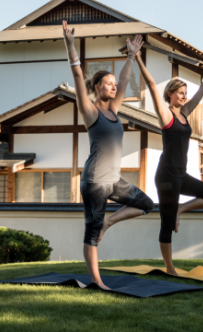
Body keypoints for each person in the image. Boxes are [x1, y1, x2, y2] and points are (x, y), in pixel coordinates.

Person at [63, 21, 154, 289]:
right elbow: (78, 77)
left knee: (146, 204)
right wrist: (70, 45)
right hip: (94, 182)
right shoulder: (90, 111)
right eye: (108, 84)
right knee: (91, 233)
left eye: (114, 84)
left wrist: (131, 55)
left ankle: (108, 223)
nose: (114, 87)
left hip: (114, 180)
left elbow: (125, 78)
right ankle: (97, 281)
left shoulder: (115, 111)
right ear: (97, 87)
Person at [134, 51, 203, 275]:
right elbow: (151, 83)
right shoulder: (166, 115)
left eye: (185, 93)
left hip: (181, 175)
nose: (184, 97)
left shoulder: (185, 113)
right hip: (166, 176)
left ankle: (180, 209)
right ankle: (169, 268)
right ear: (170, 94)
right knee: (166, 225)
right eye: (180, 93)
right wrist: (137, 57)